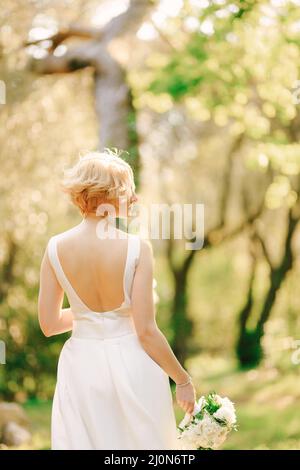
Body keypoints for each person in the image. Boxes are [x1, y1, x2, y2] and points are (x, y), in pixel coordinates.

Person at [38, 148, 196, 450]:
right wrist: (183, 380)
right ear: (104, 194)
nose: (135, 199)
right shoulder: (137, 248)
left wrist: (89, 314)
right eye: (128, 190)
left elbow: (49, 324)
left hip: (81, 367)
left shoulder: (55, 248)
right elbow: (146, 332)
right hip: (134, 364)